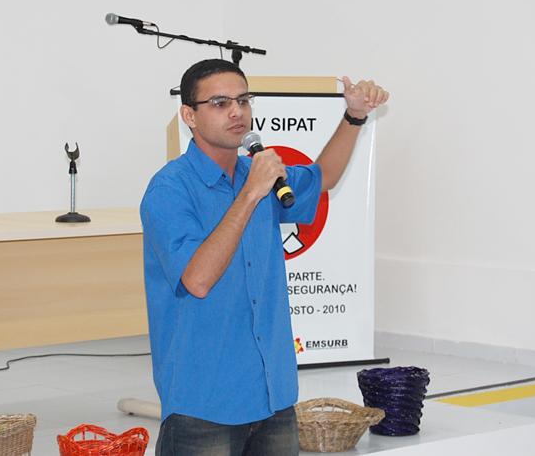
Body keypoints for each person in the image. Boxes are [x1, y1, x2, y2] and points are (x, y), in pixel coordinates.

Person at [140, 59, 389, 455]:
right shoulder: (170, 189)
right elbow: (198, 279)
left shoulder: (257, 174)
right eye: (220, 103)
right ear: (189, 115)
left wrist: (354, 116)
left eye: (243, 100)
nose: (236, 111)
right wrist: (250, 193)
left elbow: (323, 176)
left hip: (272, 396)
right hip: (204, 403)